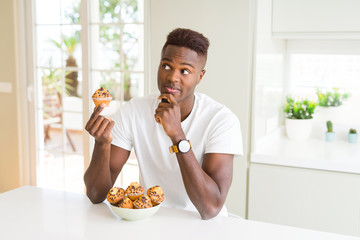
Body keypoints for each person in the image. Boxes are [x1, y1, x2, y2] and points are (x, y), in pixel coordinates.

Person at [84, 28, 243, 220]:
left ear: (200, 77)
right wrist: (102, 145)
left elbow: (210, 208)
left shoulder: (221, 120)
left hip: (204, 227)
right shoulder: (134, 111)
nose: (172, 77)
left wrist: (177, 135)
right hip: (151, 220)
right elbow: (96, 194)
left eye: (185, 71)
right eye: (166, 66)